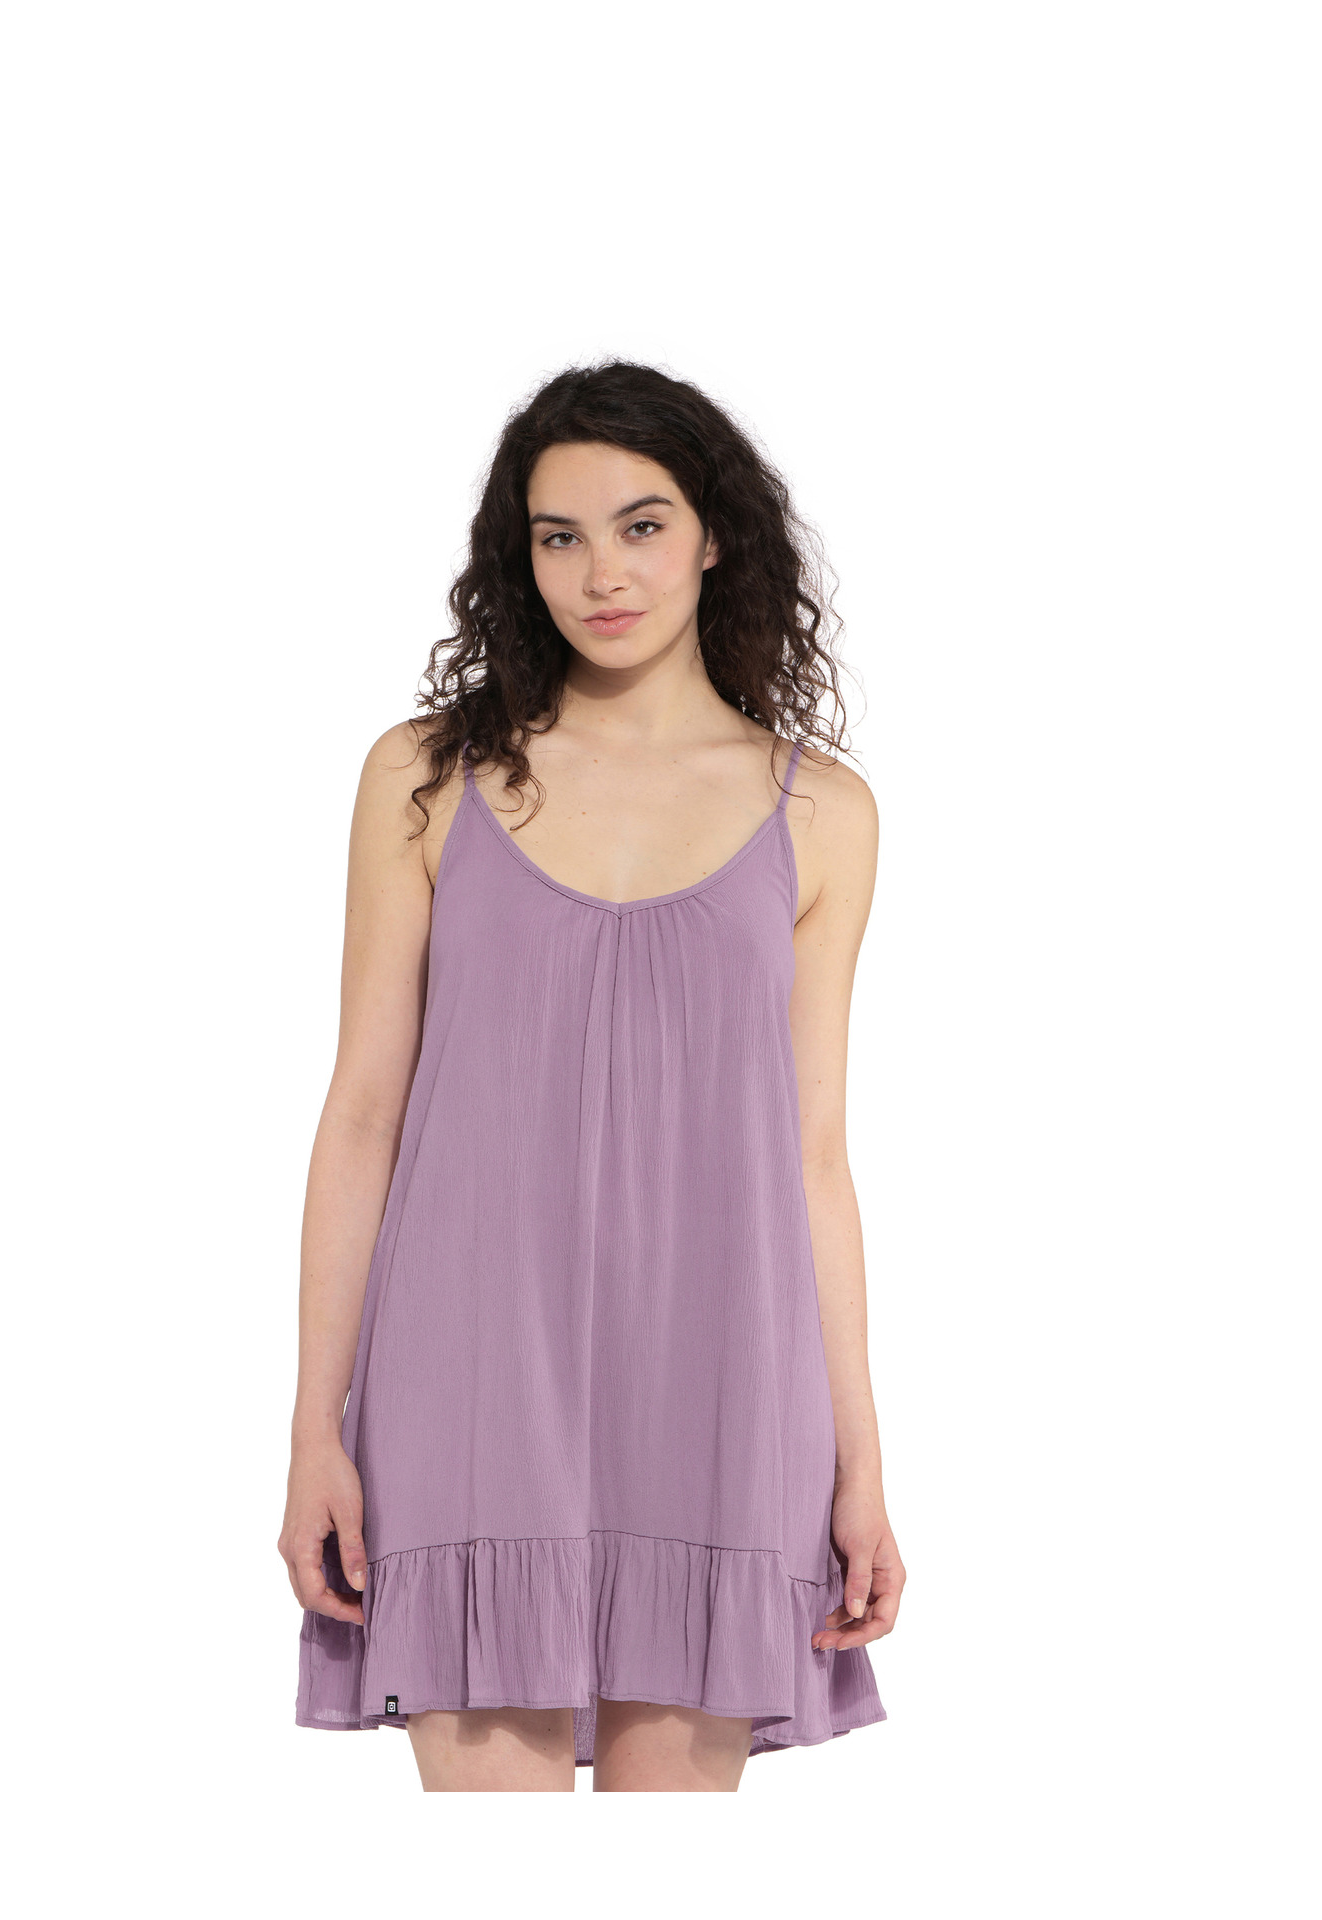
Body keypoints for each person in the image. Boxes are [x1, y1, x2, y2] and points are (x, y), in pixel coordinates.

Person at [279, 361, 905, 1792]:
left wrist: (861, 1459)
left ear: (715, 536)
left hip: (724, 1380)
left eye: (641, 525)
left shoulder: (822, 811)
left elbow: (814, 1152)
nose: (600, 573)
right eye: (558, 536)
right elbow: (362, 1112)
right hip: (467, 1375)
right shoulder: (424, 777)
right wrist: (317, 1423)